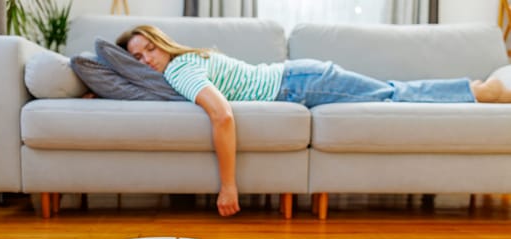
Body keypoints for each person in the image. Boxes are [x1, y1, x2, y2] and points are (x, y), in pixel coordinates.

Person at [116, 25, 511, 217]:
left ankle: (481, 92)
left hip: (300, 85)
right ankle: (474, 89)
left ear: (163, 45)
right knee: (391, 91)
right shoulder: (179, 69)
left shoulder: (180, 70)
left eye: (151, 48)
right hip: (301, 78)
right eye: (137, 58)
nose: (148, 59)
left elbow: (221, 115)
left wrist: (229, 186)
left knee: (392, 95)